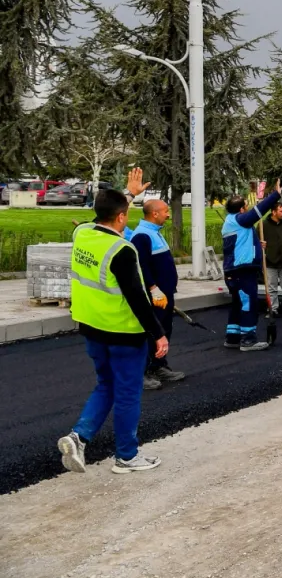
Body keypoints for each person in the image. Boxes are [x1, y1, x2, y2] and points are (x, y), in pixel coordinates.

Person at [57, 176, 168, 475]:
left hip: (91, 328)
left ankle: (78, 438)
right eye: (126, 213)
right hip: (123, 334)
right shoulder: (122, 250)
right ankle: (126, 457)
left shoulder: (82, 233)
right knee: (128, 393)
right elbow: (137, 298)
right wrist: (158, 333)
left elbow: (102, 217)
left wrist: (129, 194)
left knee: (106, 384)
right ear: (121, 217)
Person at [129, 199, 186, 390]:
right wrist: (153, 288)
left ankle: (158, 366)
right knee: (152, 332)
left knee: (164, 330)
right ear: (154, 213)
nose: (168, 214)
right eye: (165, 211)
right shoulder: (142, 235)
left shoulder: (154, 232)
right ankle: (142, 372)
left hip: (165, 294)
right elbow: (142, 266)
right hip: (156, 295)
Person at [220, 181, 282, 351]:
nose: (248, 208)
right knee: (248, 303)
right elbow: (258, 211)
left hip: (234, 271)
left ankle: (232, 337)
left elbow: (238, 243)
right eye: (246, 206)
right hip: (242, 270)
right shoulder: (240, 220)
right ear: (241, 209)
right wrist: (275, 195)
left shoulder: (231, 222)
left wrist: (256, 245)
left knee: (238, 303)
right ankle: (248, 340)